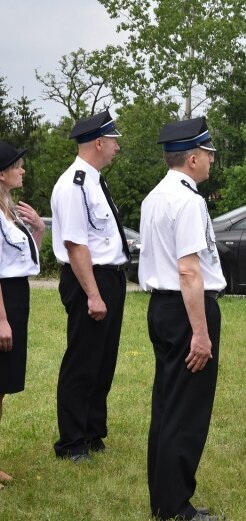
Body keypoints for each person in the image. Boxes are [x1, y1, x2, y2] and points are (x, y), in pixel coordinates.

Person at [139, 117, 225, 520]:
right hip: (186, 307)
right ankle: (175, 507)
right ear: (192, 158)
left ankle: (163, 499)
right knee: (186, 411)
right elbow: (189, 270)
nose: (211, 161)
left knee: (167, 405)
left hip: (162, 306)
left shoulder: (156, 195)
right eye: (208, 154)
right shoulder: (188, 200)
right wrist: (201, 333)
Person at [50, 110, 129, 461]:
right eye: (114, 141)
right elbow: (75, 244)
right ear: (99, 142)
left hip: (109, 277)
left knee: (103, 360)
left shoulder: (95, 180)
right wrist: (93, 294)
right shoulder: (75, 184)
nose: (116, 148)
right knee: (82, 362)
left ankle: (93, 431)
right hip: (89, 280)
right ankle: (71, 442)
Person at [0, 142, 44, 488]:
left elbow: (24, 261)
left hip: (18, 295)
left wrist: (39, 231)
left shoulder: (9, 208)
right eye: (18, 165)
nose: (23, 169)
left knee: (2, 386)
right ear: (2, 173)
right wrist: (1, 319)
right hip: (3, 300)